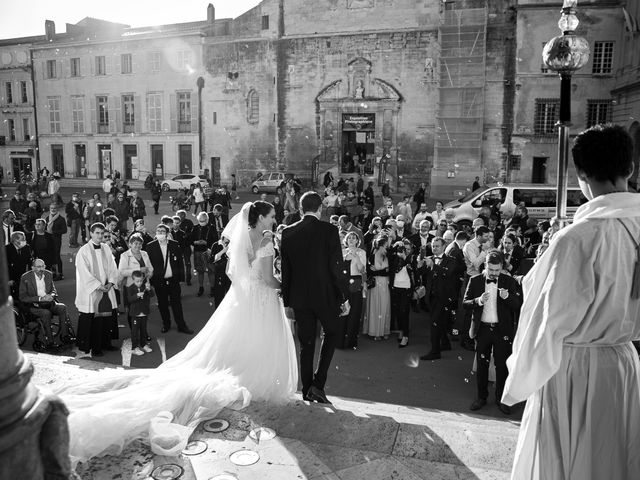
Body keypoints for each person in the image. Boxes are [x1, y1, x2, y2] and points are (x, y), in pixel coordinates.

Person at [55, 201, 298, 466]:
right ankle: (254, 375)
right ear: (261, 217)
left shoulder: (246, 236)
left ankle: (246, 371)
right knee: (257, 338)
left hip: (245, 297)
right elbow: (264, 276)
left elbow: (240, 273)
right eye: (272, 215)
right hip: (260, 297)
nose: (275, 219)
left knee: (239, 338)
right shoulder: (264, 238)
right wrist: (286, 287)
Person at [502, 125, 640, 479]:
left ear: (580, 174)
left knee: (570, 463)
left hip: (577, 370)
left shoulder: (579, 238)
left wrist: (520, 376)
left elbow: (547, 321)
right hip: (625, 363)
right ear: (631, 169)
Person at [281, 192, 349, 404]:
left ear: (300, 209)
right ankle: (318, 384)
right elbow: (336, 267)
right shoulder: (329, 230)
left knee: (306, 344)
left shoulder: (288, 232)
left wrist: (287, 301)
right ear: (320, 209)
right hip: (325, 295)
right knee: (333, 332)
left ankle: (307, 389)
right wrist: (343, 297)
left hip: (300, 297)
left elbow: (286, 270)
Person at [75, 223, 120, 357]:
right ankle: (94, 347)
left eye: (102, 233)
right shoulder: (83, 251)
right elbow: (84, 272)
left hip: (107, 288)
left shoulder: (106, 248)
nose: (100, 236)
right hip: (92, 291)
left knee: (106, 317)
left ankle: (106, 343)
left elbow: (113, 266)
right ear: (91, 233)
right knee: (94, 319)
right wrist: (99, 286)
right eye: (97, 233)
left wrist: (111, 282)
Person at [146, 224, 193, 334]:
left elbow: (180, 263)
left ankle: (181, 325)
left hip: (173, 280)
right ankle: (166, 324)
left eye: (162, 231)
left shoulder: (174, 245)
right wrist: (152, 281)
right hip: (159, 281)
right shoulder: (150, 246)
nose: (160, 233)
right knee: (162, 304)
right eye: (158, 231)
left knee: (177, 303)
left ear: (167, 234)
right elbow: (149, 264)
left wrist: (181, 278)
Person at [418, 237, 459, 360]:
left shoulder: (451, 260)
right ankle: (445, 344)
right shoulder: (429, 259)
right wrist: (419, 264)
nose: (434, 248)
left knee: (435, 324)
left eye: (437, 246)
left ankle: (435, 352)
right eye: (433, 246)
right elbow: (420, 273)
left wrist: (434, 266)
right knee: (438, 322)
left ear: (443, 247)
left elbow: (448, 273)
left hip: (445, 298)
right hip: (431, 297)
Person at [19, 258, 72, 348]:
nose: (41, 269)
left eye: (43, 266)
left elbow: (53, 290)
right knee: (46, 313)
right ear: (32, 268)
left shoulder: (48, 274)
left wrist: (51, 295)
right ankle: (50, 341)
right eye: (38, 267)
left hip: (48, 302)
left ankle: (65, 336)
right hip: (34, 305)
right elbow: (23, 297)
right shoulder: (25, 277)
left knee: (62, 307)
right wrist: (40, 298)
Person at [118, 233, 153, 329]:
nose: (138, 246)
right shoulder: (125, 255)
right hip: (131, 287)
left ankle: (144, 332)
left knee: (144, 309)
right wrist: (138, 270)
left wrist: (150, 273)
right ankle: (134, 331)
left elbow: (150, 268)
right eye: (135, 243)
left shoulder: (144, 254)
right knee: (132, 310)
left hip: (143, 286)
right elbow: (122, 271)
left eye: (140, 244)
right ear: (130, 244)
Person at [339, 232, 366, 349]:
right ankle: (340, 341)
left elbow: (362, 270)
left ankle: (350, 341)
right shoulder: (342, 252)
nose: (351, 239)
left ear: (357, 240)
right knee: (343, 311)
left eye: (353, 238)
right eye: (349, 238)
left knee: (354, 312)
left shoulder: (361, 252)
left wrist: (356, 257)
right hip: (343, 283)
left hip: (356, 282)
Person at [364, 234, 391, 340]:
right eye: (385, 246)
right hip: (374, 285)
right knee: (374, 307)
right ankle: (374, 332)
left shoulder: (387, 256)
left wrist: (378, 271)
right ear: (379, 246)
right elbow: (369, 271)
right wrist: (382, 271)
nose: (386, 248)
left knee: (384, 306)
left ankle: (384, 331)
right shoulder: (370, 256)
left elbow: (388, 272)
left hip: (385, 284)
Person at [125, 270, 155, 356]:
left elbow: (152, 295)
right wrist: (137, 296)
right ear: (133, 280)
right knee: (135, 331)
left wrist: (149, 289)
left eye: (141, 281)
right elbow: (129, 299)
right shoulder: (130, 288)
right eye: (137, 281)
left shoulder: (144, 287)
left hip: (144, 312)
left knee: (143, 330)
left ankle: (143, 344)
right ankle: (134, 347)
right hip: (135, 313)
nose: (139, 283)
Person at [190, 212, 218, 297]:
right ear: (198, 220)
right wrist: (195, 242)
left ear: (207, 220)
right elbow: (190, 239)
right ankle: (201, 287)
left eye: (204, 220)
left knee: (211, 271)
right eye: (200, 220)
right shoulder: (195, 227)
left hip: (208, 251)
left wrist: (207, 243)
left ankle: (212, 288)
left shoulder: (212, 227)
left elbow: (215, 240)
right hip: (198, 251)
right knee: (200, 271)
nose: (202, 222)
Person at [7, 231, 33, 301]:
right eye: (22, 239)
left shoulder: (26, 247)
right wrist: (8, 279)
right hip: (11, 279)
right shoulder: (7, 249)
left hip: (23, 277)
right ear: (15, 240)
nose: (24, 241)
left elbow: (30, 261)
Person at [43, 203, 67, 280]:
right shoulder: (47, 218)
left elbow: (64, 230)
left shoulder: (61, 219)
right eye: (51, 208)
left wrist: (54, 232)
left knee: (57, 256)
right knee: (51, 256)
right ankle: (53, 273)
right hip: (48, 240)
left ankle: (60, 274)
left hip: (56, 240)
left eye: (54, 208)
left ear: (57, 209)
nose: (53, 210)